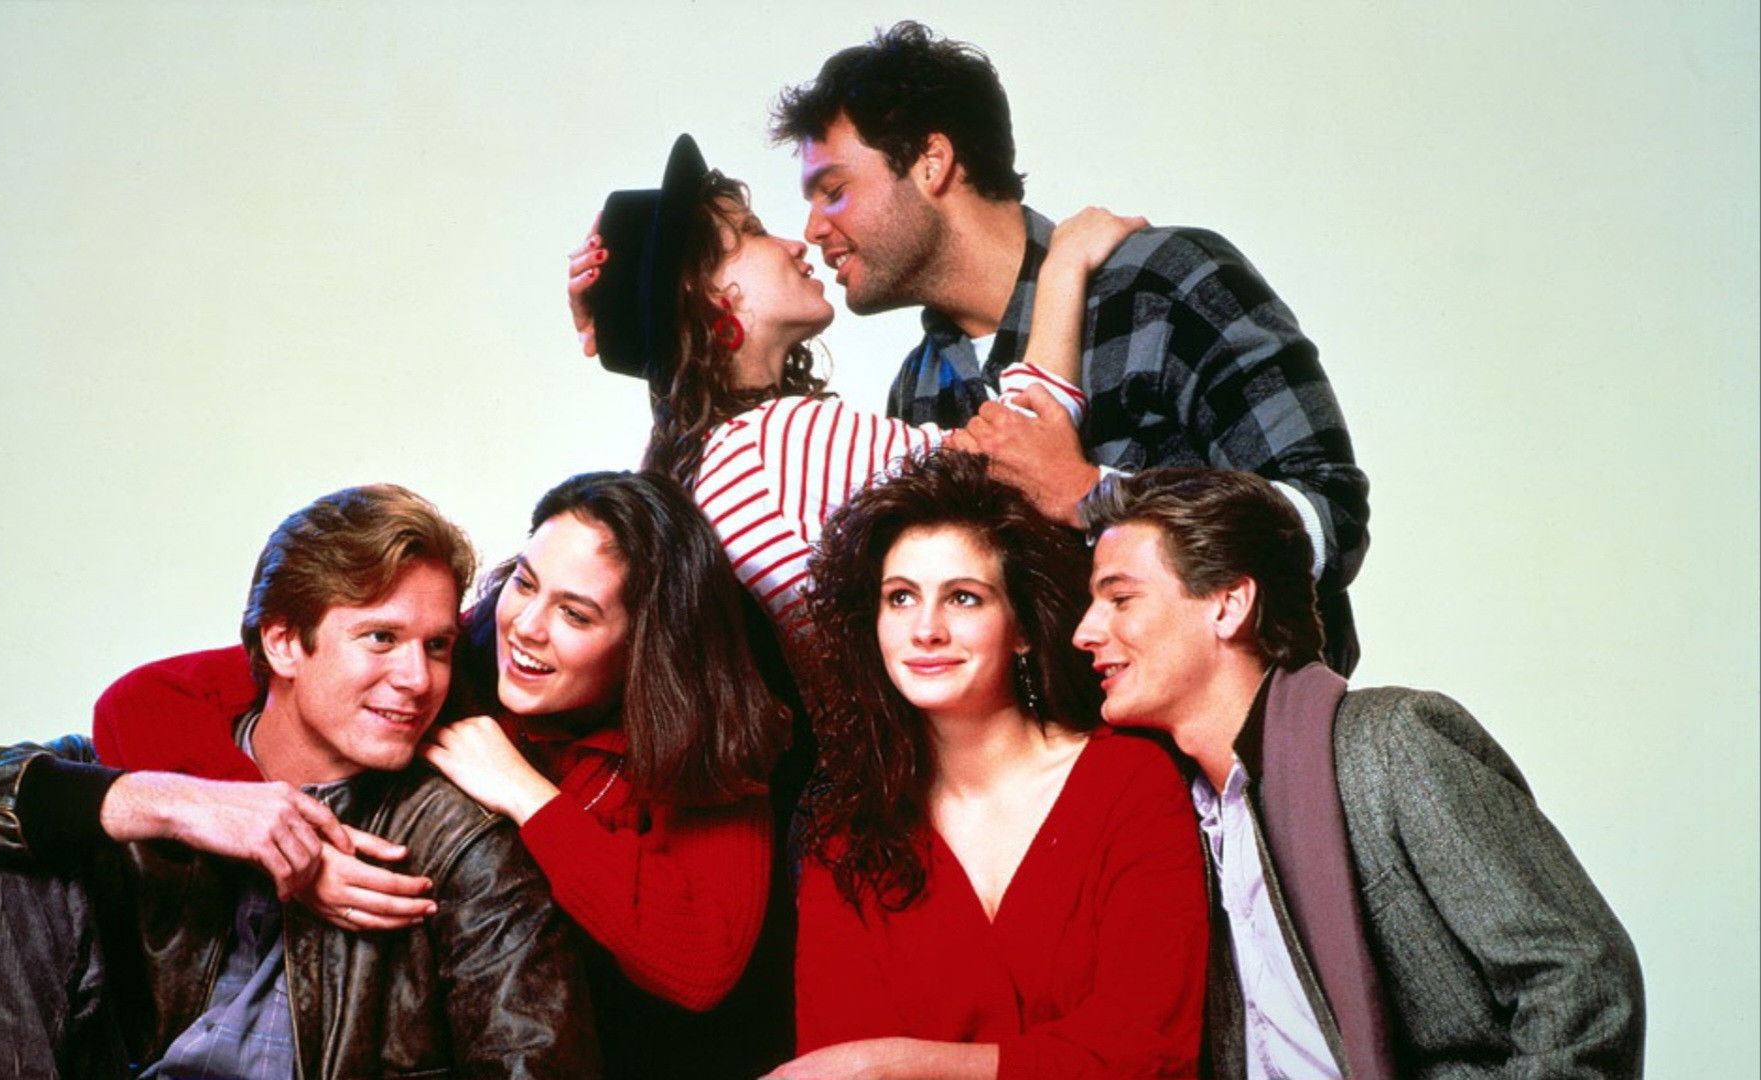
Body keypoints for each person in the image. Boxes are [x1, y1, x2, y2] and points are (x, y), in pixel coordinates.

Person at [0, 483, 597, 1079]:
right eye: (380, 638)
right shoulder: (154, 767)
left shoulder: (459, 839)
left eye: (437, 646)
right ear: (282, 643)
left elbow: (532, 1060)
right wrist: (183, 806)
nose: (416, 679)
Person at [91, 471, 796, 1080]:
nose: (527, 626)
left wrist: (527, 794)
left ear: (647, 645)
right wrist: (293, 843)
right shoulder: (447, 657)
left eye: (575, 614)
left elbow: (700, 965)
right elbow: (144, 700)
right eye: (525, 582)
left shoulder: (709, 746)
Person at [758, 21, 1370, 674]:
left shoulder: (1161, 282)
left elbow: (1328, 517)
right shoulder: (919, 391)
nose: (813, 229)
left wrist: (1090, 495)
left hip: (1254, 736)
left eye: (834, 191)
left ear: (931, 163)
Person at [1071, 468, 1645, 1079]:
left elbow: (1580, 979)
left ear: (1228, 605)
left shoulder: (1391, 745)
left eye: (1121, 599)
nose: (1086, 631)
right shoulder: (1174, 819)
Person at [577, 134, 1142, 640]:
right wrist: (1064, 266)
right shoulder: (774, 440)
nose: (795, 244)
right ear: (706, 295)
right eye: (752, 233)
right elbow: (1019, 459)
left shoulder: (709, 463)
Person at [772, 449, 1208, 1079]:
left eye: (964, 598)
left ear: (1023, 627)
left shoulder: (1129, 783)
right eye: (900, 598)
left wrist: (895, 1064)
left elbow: (1149, 1050)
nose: (926, 629)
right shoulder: (844, 834)